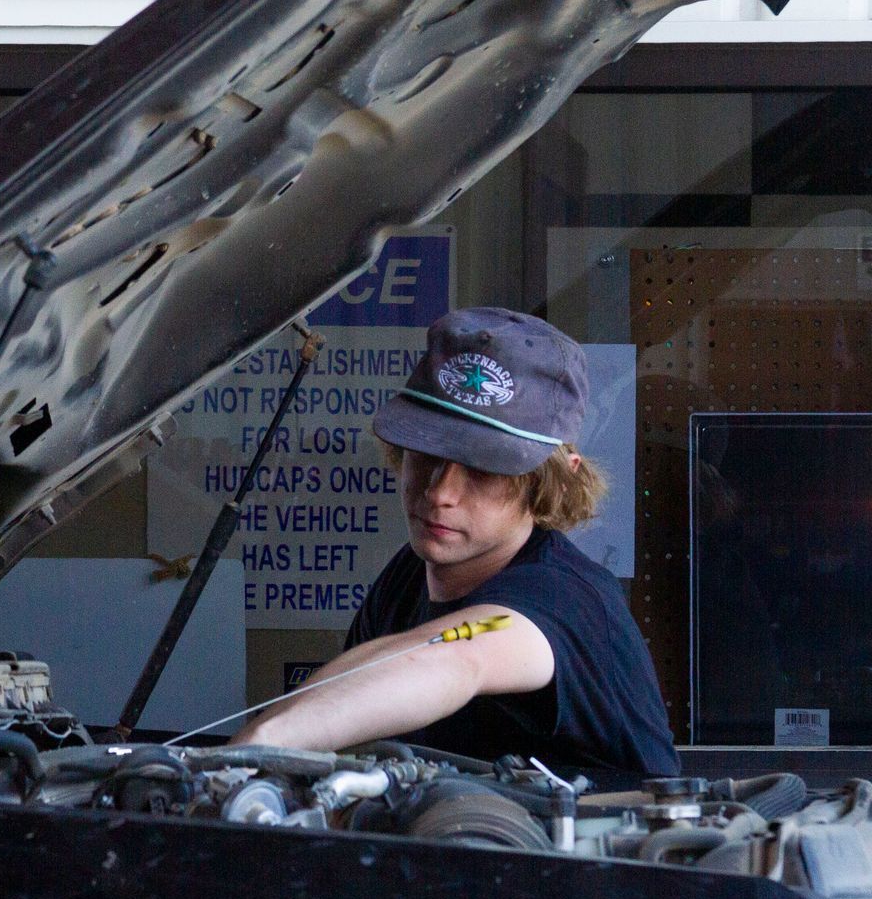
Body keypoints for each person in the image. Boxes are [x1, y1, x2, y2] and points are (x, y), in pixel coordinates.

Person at [233, 307, 680, 777]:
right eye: (427, 454)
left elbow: (455, 655)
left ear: (556, 482)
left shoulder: (564, 601)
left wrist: (258, 747)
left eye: (485, 469)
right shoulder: (408, 577)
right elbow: (373, 668)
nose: (440, 493)